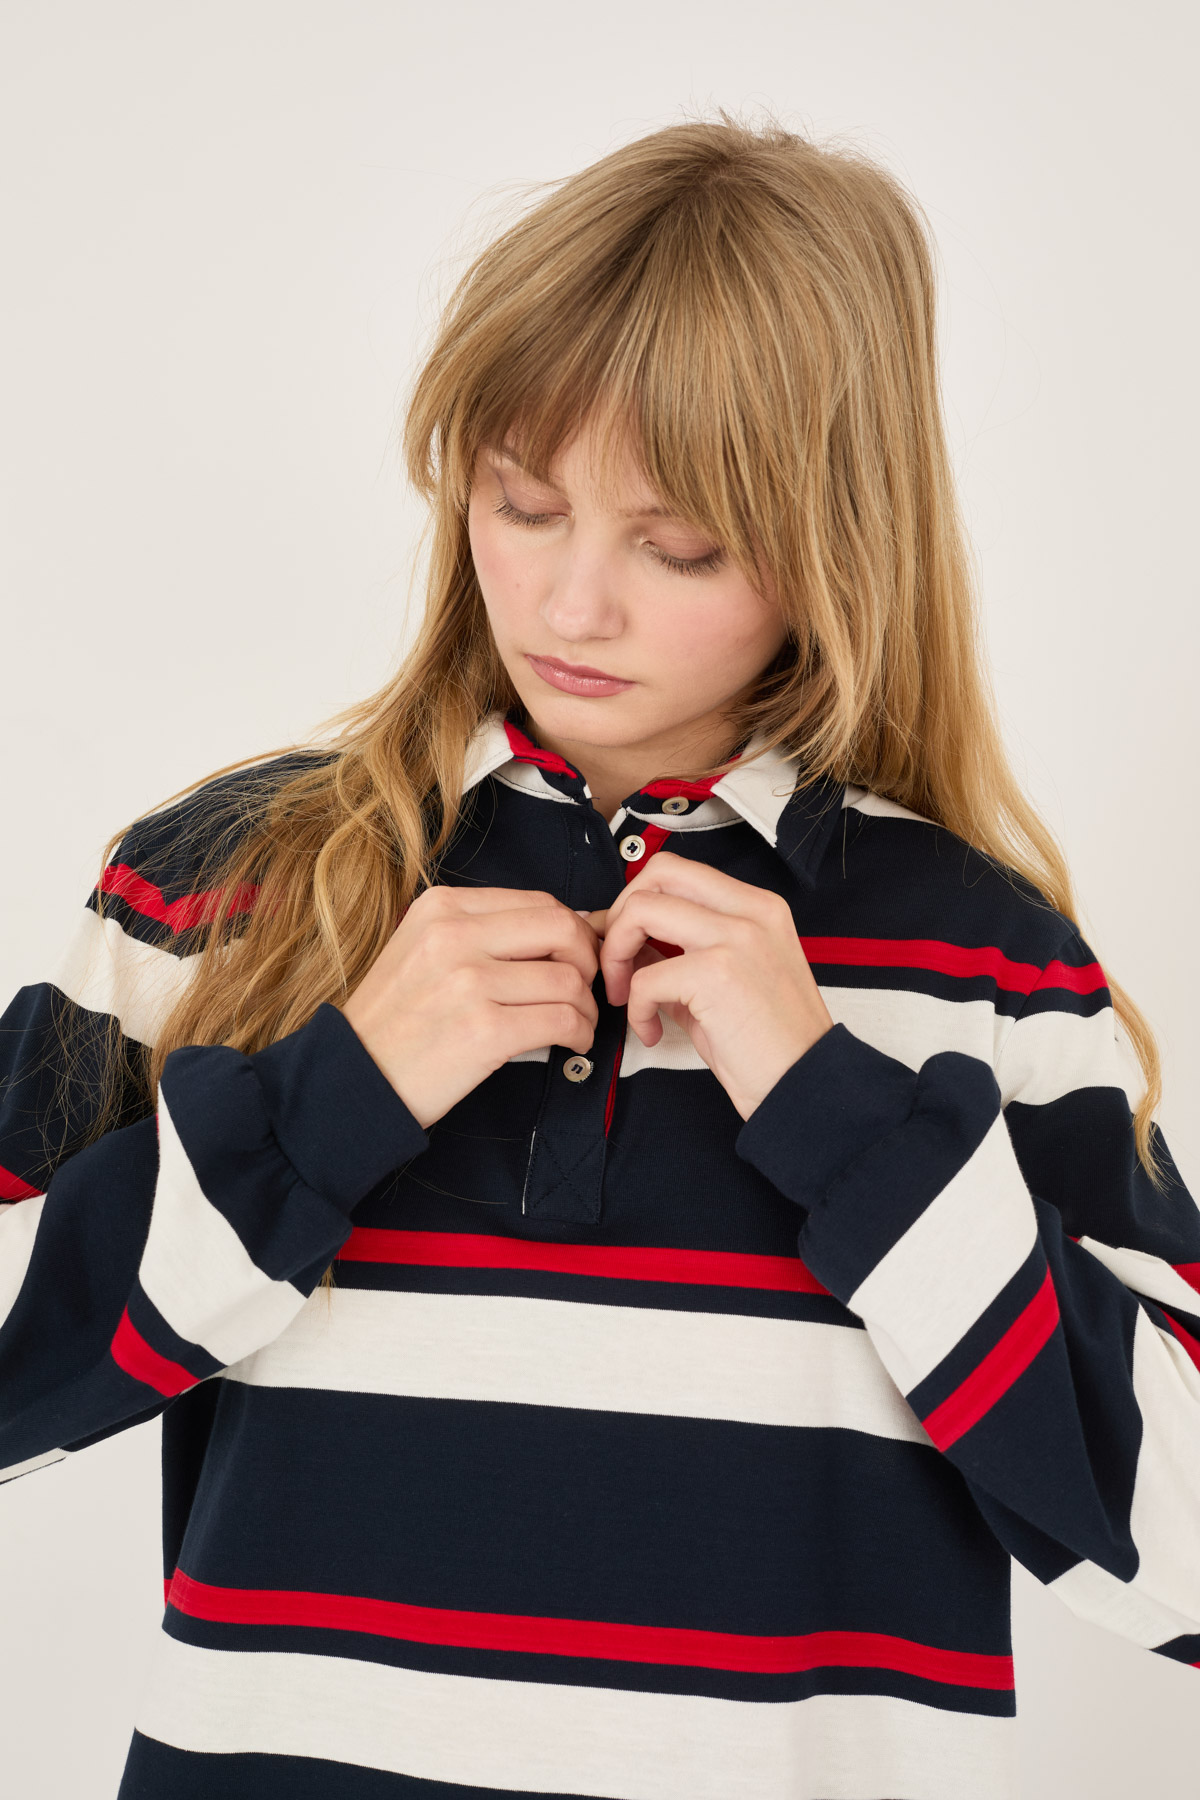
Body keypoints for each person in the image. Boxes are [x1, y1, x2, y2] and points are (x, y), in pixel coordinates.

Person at [2, 107, 1197, 1800]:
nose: (572, 608)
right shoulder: (228, 884)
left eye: (679, 543)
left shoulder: (983, 965)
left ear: (840, 540)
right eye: (523, 501)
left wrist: (847, 1124)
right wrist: (324, 1105)